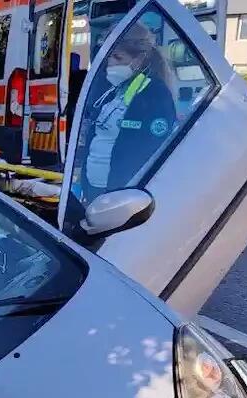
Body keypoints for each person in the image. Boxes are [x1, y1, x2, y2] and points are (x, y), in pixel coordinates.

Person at [65, 21, 176, 238]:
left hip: (120, 197)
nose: (110, 64)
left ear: (139, 59)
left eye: (118, 58)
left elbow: (148, 152)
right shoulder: (114, 90)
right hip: (96, 191)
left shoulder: (154, 95)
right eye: (109, 57)